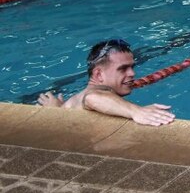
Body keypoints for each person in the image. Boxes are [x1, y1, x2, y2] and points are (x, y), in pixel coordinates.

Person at [38, 39, 175, 127]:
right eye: (122, 69)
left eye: (132, 67)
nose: (132, 74)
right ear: (98, 74)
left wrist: (57, 111)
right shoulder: (94, 93)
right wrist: (137, 111)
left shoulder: (79, 97)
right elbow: (94, 98)